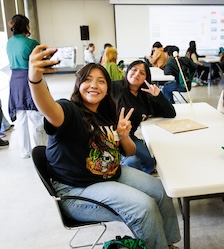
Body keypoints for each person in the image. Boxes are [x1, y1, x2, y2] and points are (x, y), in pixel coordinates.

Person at [27, 45, 181, 249]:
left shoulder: (107, 112)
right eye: (88, 80)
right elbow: (46, 106)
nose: (94, 85)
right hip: (77, 190)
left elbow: (129, 152)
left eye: (101, 81)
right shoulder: (68, 111)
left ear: (108, 88)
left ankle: (168, 243)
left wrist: (124, 136)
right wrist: (35, 78)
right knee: (143, 207)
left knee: (160, 190)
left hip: (110, 173)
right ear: (78, 84)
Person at [112, 60, 176, 174]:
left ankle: (142, 176)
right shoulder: (113, 87)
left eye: (142, 73)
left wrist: (158, 96)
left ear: (146, 78)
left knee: (150, 162)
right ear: (128, 71)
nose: (137, 74)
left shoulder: (145, 96)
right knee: (132, 162)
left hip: (129, 137)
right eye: (134, 70)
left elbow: (170, 113)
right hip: (110, 139)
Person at [6, 14, 46, 158]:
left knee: (21, 117)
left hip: (15, 80)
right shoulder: (32, 43)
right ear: (26, 26)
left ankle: (25, 152)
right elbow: (41, 61)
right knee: (35, 117)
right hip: (30, 79)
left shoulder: (9, 42)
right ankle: (38, 152)